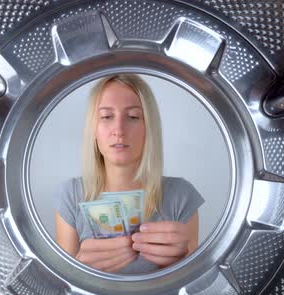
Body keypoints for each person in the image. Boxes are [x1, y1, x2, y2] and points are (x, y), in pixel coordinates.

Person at [53, 74, 204, 274]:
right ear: (93, 129)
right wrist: (78, 270)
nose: (119, 130)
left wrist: (184, 261)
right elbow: (63, 285)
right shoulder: (70, 195)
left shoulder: (181, 195)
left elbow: (198, 284)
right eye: (106, 116)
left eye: (133, 117)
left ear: (149, 128)